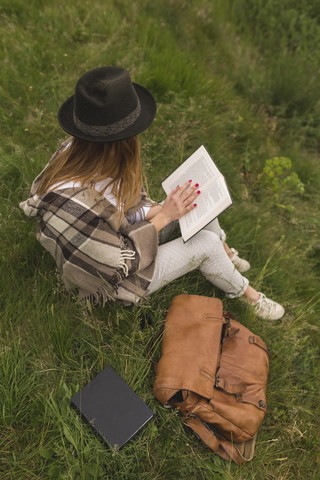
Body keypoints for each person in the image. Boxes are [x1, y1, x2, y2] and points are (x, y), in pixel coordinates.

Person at [19, 66, 285, 320]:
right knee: (205, 245)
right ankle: (247, 295)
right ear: (117, 145)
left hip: (123, 238)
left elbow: (121, 209)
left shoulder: (79, 152)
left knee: (195, 201)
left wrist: (160, 210)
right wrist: (163, 218)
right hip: (116, 279)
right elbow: (115, 264)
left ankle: (225, 256)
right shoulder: (74, 205)